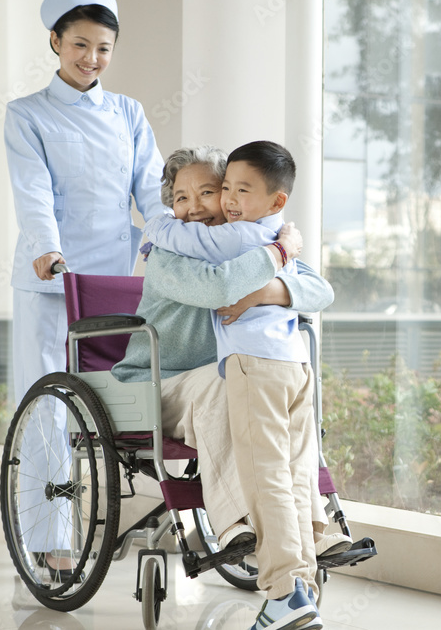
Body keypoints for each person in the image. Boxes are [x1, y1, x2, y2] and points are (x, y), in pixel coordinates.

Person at [4, 0, 167, 574]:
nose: (91, 58)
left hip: (112, 284)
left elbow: (152, 187)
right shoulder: (27, 114)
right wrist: (47, 250)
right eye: (79, 44)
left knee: (107, 408)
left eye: (103, 48)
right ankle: (51, 537)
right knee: (48, 406)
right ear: (54, 41)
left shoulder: (128, 113)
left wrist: (168, 236)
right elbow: (33, 194)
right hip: (52, 282)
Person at [141, 141, 324, 630]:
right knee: (232, 382)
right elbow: (218, 288)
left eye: (209, 191)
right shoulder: (168, 253)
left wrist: (271, 287)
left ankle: (300, 558)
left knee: (263, 398)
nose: (195, 207)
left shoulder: (242, 245)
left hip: (235, 373)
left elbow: (319, 289)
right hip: (162, 381)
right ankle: (240, 525)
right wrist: (277, 252)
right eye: (181, 198)